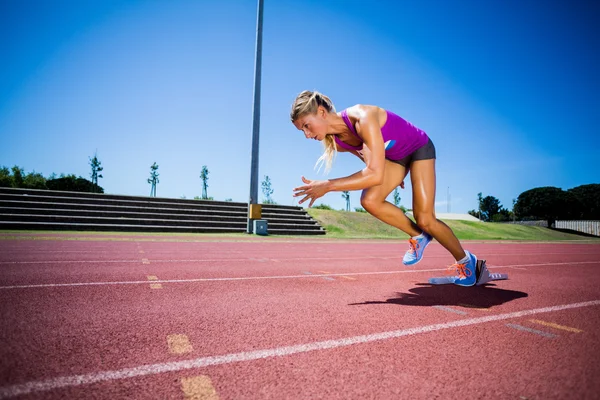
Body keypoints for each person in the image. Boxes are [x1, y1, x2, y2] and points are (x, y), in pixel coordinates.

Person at [291, 90, 479, 286]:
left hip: (418, 148)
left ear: (321, 112)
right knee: (369, 200)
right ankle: (419, 236)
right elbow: (369, 162)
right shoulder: (338, 143)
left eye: (306, 126)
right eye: (302, 130)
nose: (307, 134)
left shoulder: (362, 117)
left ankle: (466, 262)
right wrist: (389, 174)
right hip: (394, 159)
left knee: (425, 218)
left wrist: (328, 186)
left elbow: (373, 174)